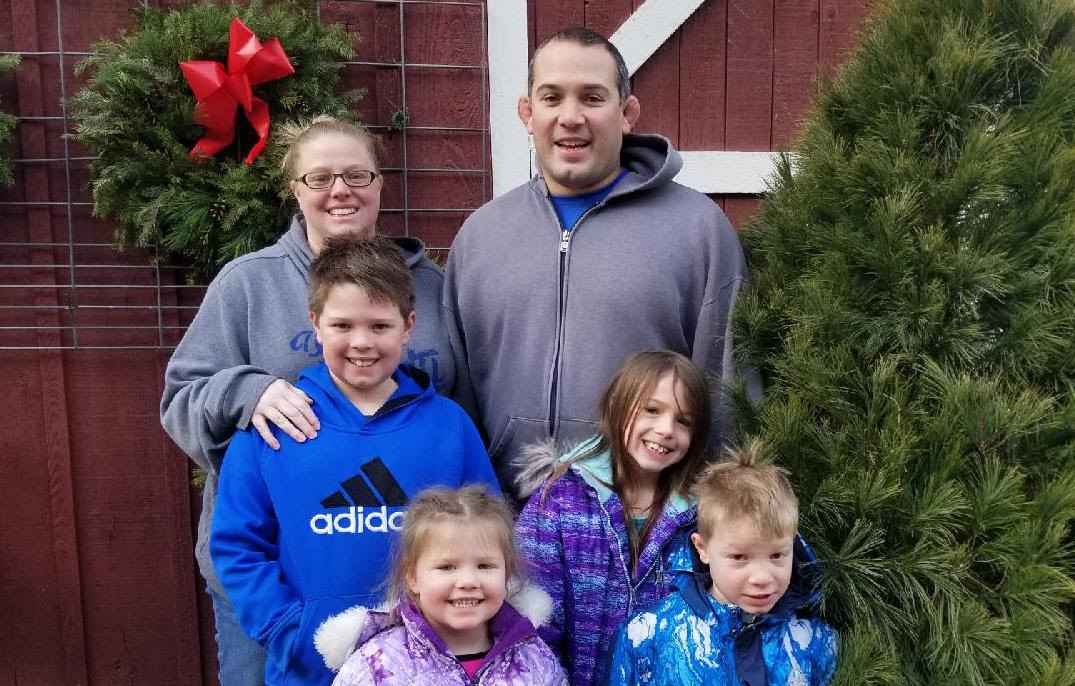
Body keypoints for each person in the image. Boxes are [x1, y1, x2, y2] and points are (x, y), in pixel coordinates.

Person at [160, 116, 455, 684]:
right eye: (318, 178)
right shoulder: (248, 284)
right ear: (294, 191)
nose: (339, 190)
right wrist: (249, 389)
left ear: (379, 184)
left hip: (412, 582)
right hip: (277, 582)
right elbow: (180, 399)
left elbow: (458, 409)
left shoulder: (435, 289)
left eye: (355, 174)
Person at [443, 27, 754, 496]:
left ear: (627, 114)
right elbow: (459, 395)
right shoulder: (480, 238)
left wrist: (720, 513)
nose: (571, 117)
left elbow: (727, 389)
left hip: (645, 530)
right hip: (506, 531)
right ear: (527, 113)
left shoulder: (697, 230)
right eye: (552, 98)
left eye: (592, 98)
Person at [209, 237, 499, 686]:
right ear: (316, 324)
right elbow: (238, 546)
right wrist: (291, 634)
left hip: (432, 670)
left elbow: (489, 535)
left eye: (380, 326)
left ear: (409, 326)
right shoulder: (272, 430)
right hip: (310, 667)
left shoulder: (449, 426)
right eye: (342, 325)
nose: (361, 342)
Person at [513, 351, 712, 686]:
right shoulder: (562, 499)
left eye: (684, 421)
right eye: (652, 410)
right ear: (618, 406)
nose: (666, 429)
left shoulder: (702, 514)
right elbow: (533, 623)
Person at [606, 440, 838, 685]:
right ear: (702, 548)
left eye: (777, 556)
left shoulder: (816, 643)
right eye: (739, 557)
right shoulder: (647, 635)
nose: (762, 577)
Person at [313, 485, 568, 685]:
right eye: (447, 567)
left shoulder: (535, 659)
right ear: (412, 577)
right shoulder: (374, 665)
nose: (468, 581)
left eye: (484, 566)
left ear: (507, 573)